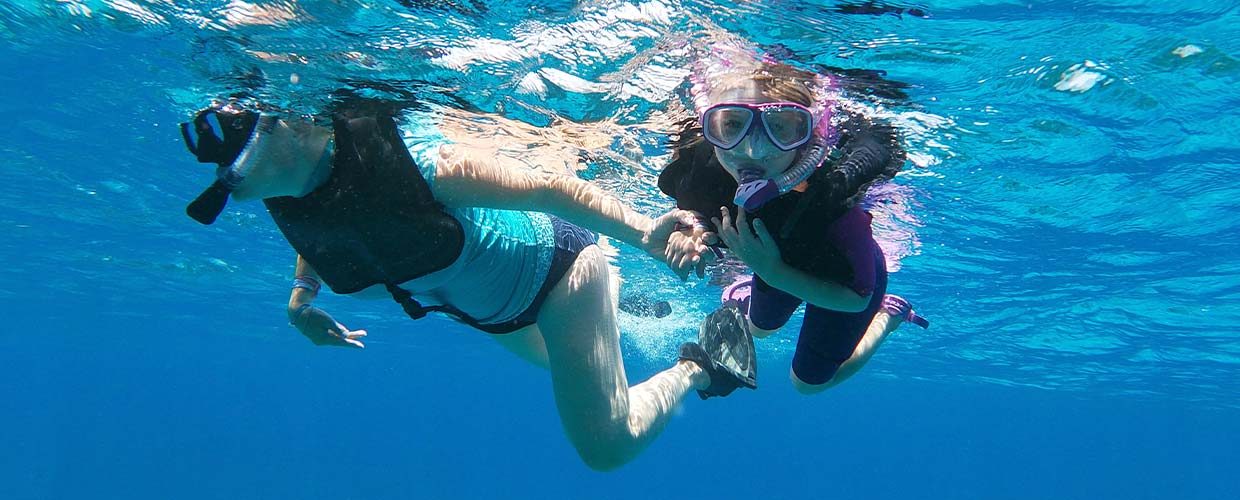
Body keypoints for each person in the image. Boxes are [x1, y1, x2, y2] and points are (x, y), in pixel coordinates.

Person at [177, 97, 755, 471]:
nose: (228, 172)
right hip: (489, 309)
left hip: (561, 273)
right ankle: (633, 307)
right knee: (564, 370)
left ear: (289, 123)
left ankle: (697, 366)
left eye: (238, 137)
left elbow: (549, 188)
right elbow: (321, 236)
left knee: (605, 444)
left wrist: (645, 236)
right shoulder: (289, 195)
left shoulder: (420, 166)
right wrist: (301, 300)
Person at [657, 46, 930, 395]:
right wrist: (689, 230)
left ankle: (889, 317)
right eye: (733, 125)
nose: (752, 150)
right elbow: (694, 209)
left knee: (807, 384)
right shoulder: (707, 169)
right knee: (758, 328)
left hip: (840, 281)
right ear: (712, 124)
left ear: (808, 134)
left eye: (779, 128)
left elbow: (855, 298)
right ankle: (755, 292)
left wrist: (771, 272)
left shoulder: (831, 201)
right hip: (775, 264)